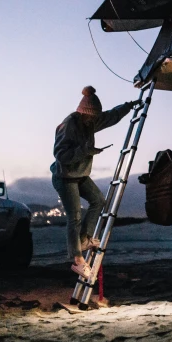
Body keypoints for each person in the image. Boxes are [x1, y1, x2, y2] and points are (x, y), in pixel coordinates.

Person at [51, 86, 139, 279]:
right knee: (74, 216)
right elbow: (60, 155)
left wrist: (128, 106)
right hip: (64, 176)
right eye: (91, 118)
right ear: (83, 113)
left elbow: (110, 116)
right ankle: (77, 260)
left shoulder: (90, 121)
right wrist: (85, 151)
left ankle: (85, 239)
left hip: (80, 174)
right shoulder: (69, 126)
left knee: (98, 200)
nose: (93, 122)